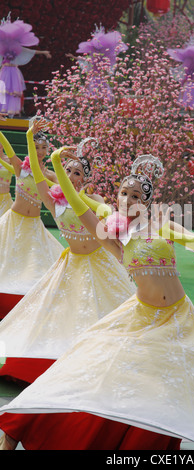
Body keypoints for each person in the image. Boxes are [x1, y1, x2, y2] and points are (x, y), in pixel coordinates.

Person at [0, 152, 194, 450]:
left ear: (146, 202)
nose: (128, 199)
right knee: (83, 369)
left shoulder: (159, 226)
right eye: (124, 193)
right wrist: (56, 160)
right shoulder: (111, 235)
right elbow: (76, 200)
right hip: (139, 317)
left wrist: (174, 230)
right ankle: (17, 429)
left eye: (136, 195)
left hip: (179, 317)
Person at [0, 119, 135, 384]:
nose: (71, 176)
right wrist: (29, 136)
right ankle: (43, 365)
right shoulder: (52, 199)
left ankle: (90, 368)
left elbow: (108, 215)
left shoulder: (94, 201)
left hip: (98, 264)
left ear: (86, 181)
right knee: (59, 314)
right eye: (69, 171)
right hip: (71, 263)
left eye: (77, 174)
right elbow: (39, 176)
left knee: (96, 316)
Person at [0, 125, 62, 317]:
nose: (40, 151)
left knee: (35, 269)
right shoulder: (19, 167)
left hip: (34, 225)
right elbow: (7, 146)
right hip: (13, 221)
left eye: (44, 147)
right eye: (36, 147)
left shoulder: (50, 175)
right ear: (30, 148)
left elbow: (66, 189)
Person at [0, 14, 51, 116]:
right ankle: (2, 111)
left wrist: (44, 52)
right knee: (3, 91)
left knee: (12, 91)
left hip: (12, 71)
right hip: (5, 70)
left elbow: (28, 51)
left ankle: (8, 113)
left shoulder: (16, 46)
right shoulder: (2, 46)